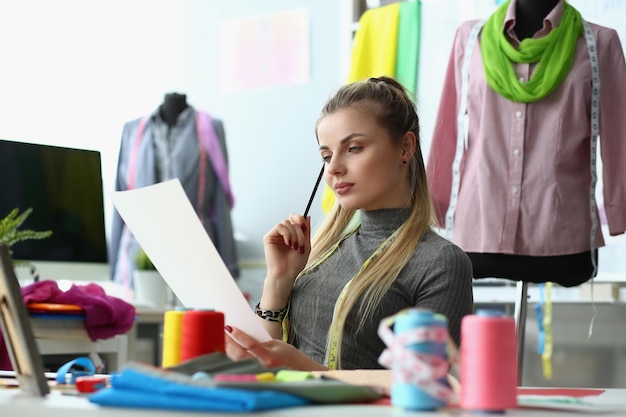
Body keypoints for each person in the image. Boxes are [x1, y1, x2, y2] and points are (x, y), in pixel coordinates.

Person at [225, 76, 474, 371]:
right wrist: (278, 280)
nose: (334, 168)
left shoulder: (440, 262)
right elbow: (264, 364)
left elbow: (427, 387)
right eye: (326, 156)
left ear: (405, 148)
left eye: (353, 148)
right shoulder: (316, 254)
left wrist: (304, 370)